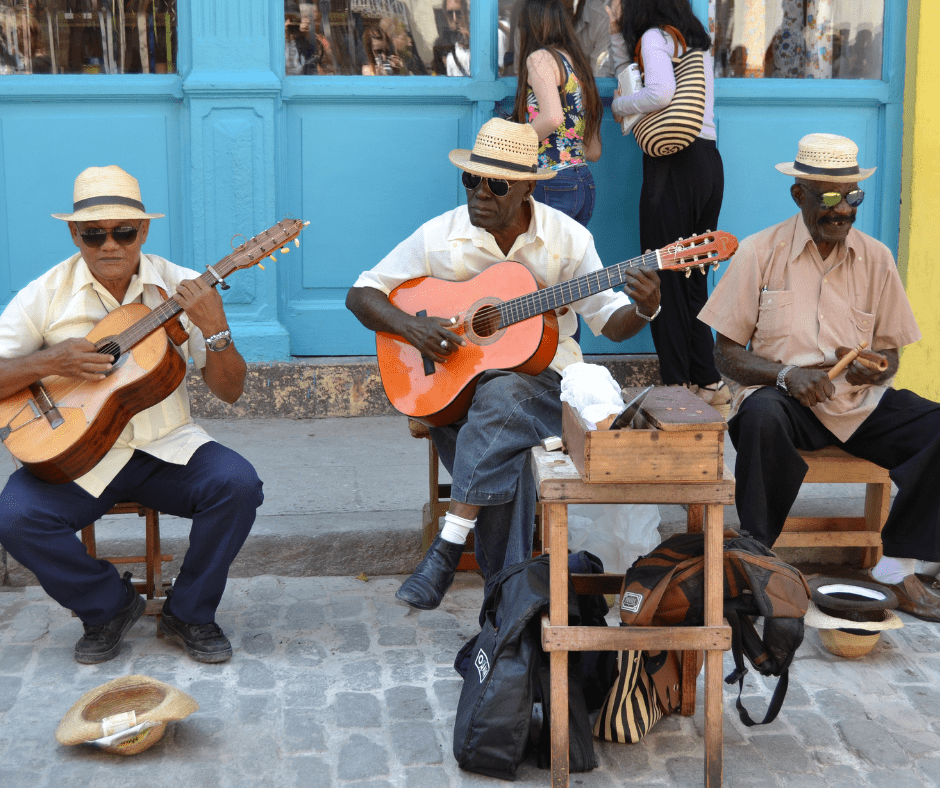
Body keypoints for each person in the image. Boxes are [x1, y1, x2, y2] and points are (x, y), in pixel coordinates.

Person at [345, 118, 660, 610]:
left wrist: (643, 308)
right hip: (456, 395)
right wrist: (415, 330)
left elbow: (608, 320)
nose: (479, 195)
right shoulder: (440, 235)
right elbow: (362, 293)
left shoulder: (568, 239)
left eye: (495, 185)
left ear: (527, 188)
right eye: (471, 180)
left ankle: (450, 550)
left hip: (545, 390)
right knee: (502, 443)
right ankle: (507, 609)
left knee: (506, 392)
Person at [0, 166, 264, 662]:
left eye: (123, 231)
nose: (109, 245)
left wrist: (216, 328)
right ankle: (107, 606)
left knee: (238, 485)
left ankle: (189, 612)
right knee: (14, 517)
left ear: (143, 230)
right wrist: (51, 361)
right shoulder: (46, 293)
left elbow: (231, 392)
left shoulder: (182, 287)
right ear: (74, 233)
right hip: (78, 456)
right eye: (93, 233)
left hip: (167, 448)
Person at [698, 133, 940, 621]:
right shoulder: (759, 251)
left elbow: (890, 353)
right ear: (798, 195)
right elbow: (725, 354)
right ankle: (757, 558)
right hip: (787, 402)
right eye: (828, 197)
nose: (842, 210)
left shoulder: (876, 258)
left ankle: (897, 565)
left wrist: (877, 366)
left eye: (853, 197)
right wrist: (787, 374)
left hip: (856, 404)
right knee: (761, 416)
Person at [609, 0, 729, 412]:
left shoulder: (653, 38)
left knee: (661, 278)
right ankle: (708, 381)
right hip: (708, 164)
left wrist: (618, 105)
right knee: (693, 276)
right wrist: (614, 33)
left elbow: (658, 92)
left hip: (672, 167)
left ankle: (677, 385)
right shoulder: (692, 43)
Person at [513, 0, 602, 228]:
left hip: (551, 180)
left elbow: (552, 118)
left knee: (541, 262)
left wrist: (512, 145)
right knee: (570, 263)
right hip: (583, 182)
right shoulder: (578, 65)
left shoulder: (540, 58)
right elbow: (593, 151)